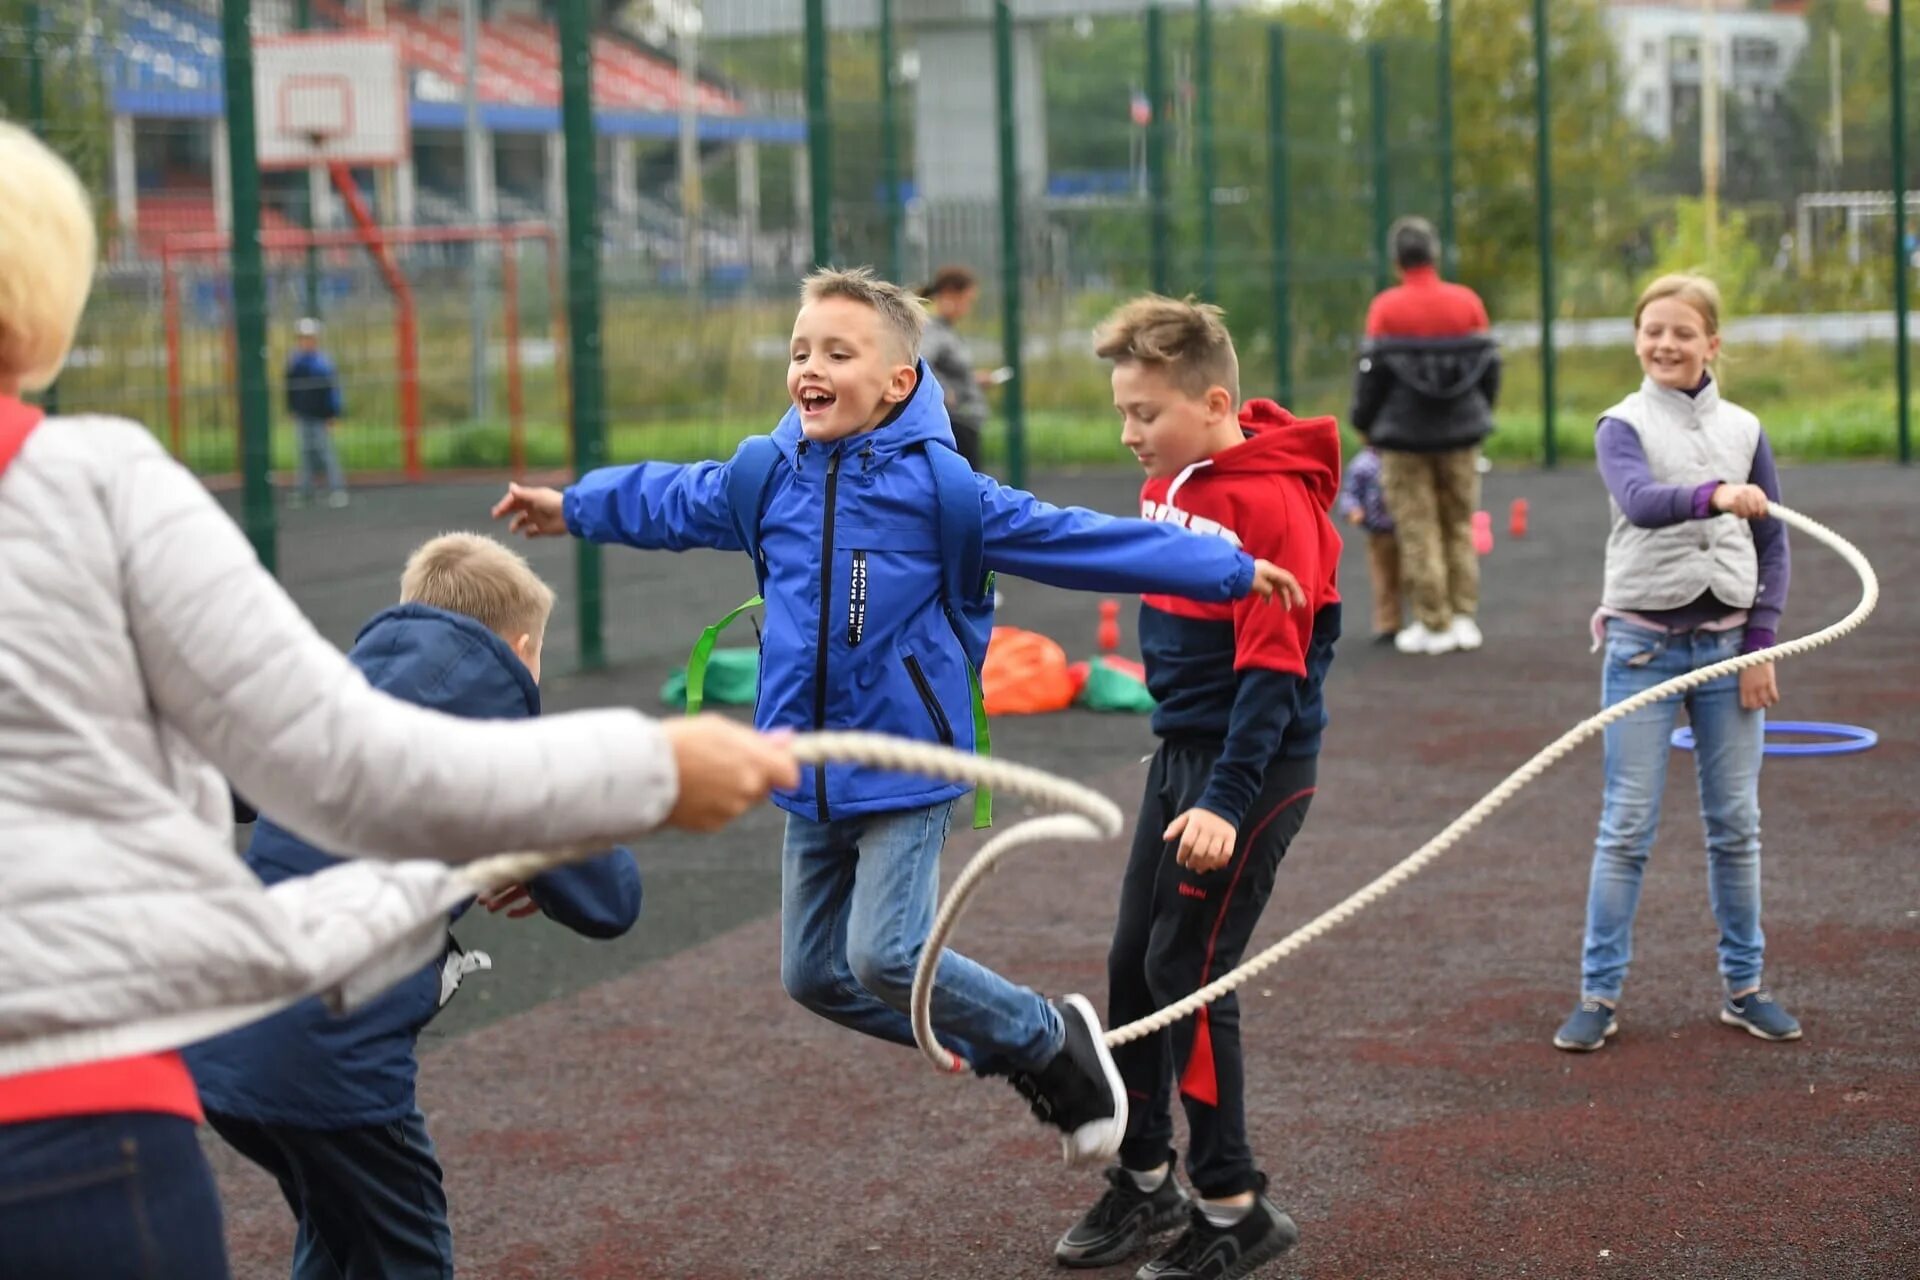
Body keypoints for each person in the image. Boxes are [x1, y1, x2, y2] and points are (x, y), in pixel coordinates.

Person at [0, 122, 795, 1280]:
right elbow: (350, 767)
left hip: (220, 1056)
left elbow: (257, 784)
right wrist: (652, 768)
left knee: (349, 1232)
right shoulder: (86, 483)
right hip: (73, 1101)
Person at [491, 267, 1298, 1168]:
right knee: (813, 976)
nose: (812, 367)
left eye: (840, 351)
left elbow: (1076, 540)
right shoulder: (768, 477)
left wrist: (1224, 570)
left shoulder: (941, 491)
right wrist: (575, 506)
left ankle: (1043, 1038)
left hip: (907, 760)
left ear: (900, 381)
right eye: (801, 351)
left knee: (885, 954)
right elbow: (671, 498)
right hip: (805, 765)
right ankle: (1027, 1044)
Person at [186, 533, 644, 1280]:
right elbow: (612, 899)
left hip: (221, 1040)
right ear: (523, 647)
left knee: (340, 1227)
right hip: (331, 1064)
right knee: (406, 1250)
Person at [1051, 296, 1340, 1279]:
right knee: (1134, 964)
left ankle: (1235, 1204)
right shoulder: (1175, 478)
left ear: (1213, 399)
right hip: (1182, 753)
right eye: (1122, 411)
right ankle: (1144, 1179)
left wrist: (1221, 798)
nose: (1128, 433)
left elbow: (1275, 676)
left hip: (1249, 768)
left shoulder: (1270, 503)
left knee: (1190, 974)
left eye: (1146, 413)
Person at [1553, 273, 1797, 1054]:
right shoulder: (1619, 424)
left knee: (1737, 826)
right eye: (1652, 330)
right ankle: (1598, 994)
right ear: (1637, 339)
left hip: (1729, 650)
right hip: (1641, 649)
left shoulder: (1746, 426)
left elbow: (1775, 546)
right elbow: (1639, 500)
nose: (1665, 343)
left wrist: (1760, 643)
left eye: (1682, 332)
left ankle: (1746, 987)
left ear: (1711, 345)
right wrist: (1716, 496)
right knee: (1626, 827)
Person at [1350, 215, 1499, 657]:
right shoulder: (1467, 303)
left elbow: (1370, 378)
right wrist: (1480, 413)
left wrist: (1364, 421)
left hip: (1403, 440)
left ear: (1397, 261)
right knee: (1458, 523)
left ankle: (1432, 622)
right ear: (1435, 254)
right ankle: (1463, 618)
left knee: (1417, 528)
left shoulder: (1386, 309)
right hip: (1461, 436)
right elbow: (1488, 368)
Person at [918, 264, 1000, 472]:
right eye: (967, 300)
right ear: (950, 294)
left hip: (964, 423)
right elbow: (920, 361)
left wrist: (972, 379)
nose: (968, 308)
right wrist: (945, 392)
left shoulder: (945, 328)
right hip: (955, 424)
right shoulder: (930, 327)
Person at [1336, 444, 1400, 643]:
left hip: (1409, 529)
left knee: (1416, 577)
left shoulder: (1404, 458)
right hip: (1380, 532)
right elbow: (1349, 494)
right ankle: (1388, 624)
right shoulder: (1363, 465)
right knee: (1384, 578)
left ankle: (1424, 621)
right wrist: (1353, 510)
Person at [287, 316, 349, 509]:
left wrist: (333, 413)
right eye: (303, 338)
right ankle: (306, 491)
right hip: (303, 416)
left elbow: (332, 390)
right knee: (305, 454)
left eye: (309, 337)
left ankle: (337, 489)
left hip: (321, 417)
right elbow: (290, 389)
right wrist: (292, 410)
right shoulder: (295, 363)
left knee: (326, 453)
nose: (306, 341)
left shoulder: (323, 363)